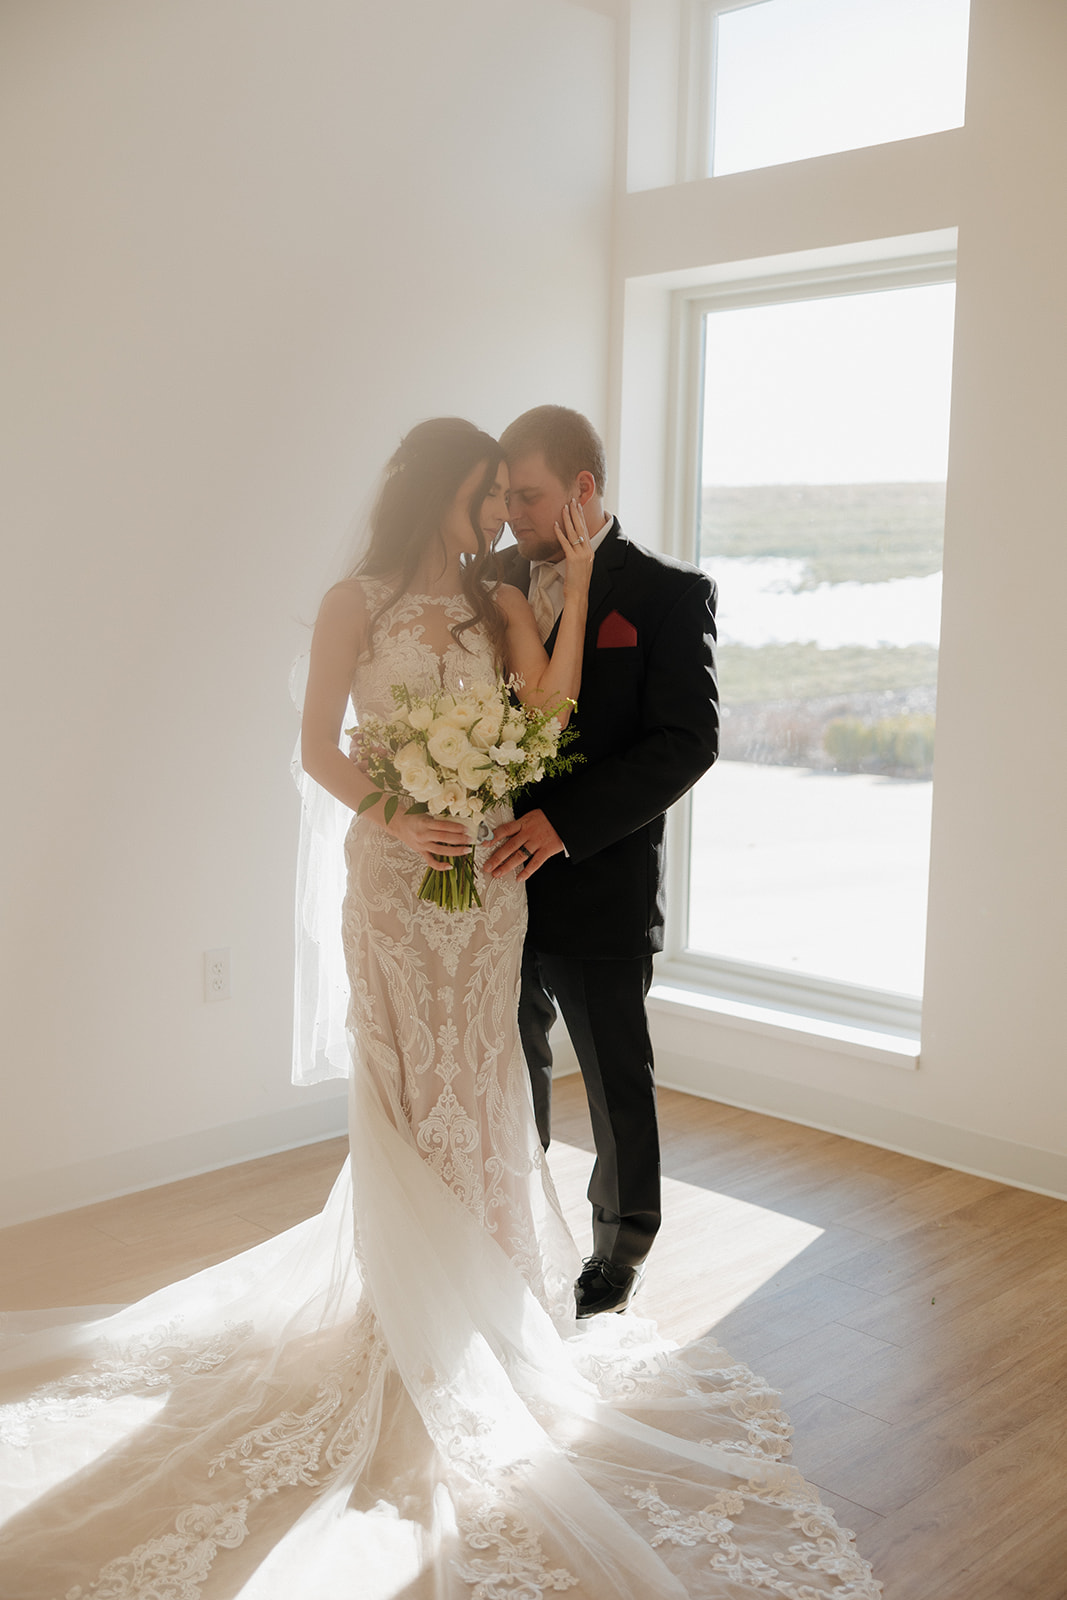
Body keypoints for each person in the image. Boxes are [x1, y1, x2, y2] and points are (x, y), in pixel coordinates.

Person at [0, 419, 880, 1599]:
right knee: (407, 1093)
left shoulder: (501, 599)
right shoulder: (348, 601)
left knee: (485, 1090)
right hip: (395, 886)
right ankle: (394, 1315)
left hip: (488, 894)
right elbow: (317, 746)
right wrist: (391, 812)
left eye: (507, 501)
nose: (495, 521)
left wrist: (546, 617)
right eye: (482, 499)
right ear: (436, 495)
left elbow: (553, 717)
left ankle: (485, 1308)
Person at [487, 405, 719, 1320]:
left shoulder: (667, 594)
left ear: (583, 489)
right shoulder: (489, 584)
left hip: (601, 883)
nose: (510, 512)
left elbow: (683, 744)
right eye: (502, 494)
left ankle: (618, 1251)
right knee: (508, 1066)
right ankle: (517, 1218)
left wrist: (562, 825)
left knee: (616, 1078)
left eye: (528, 494)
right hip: (491, 881)